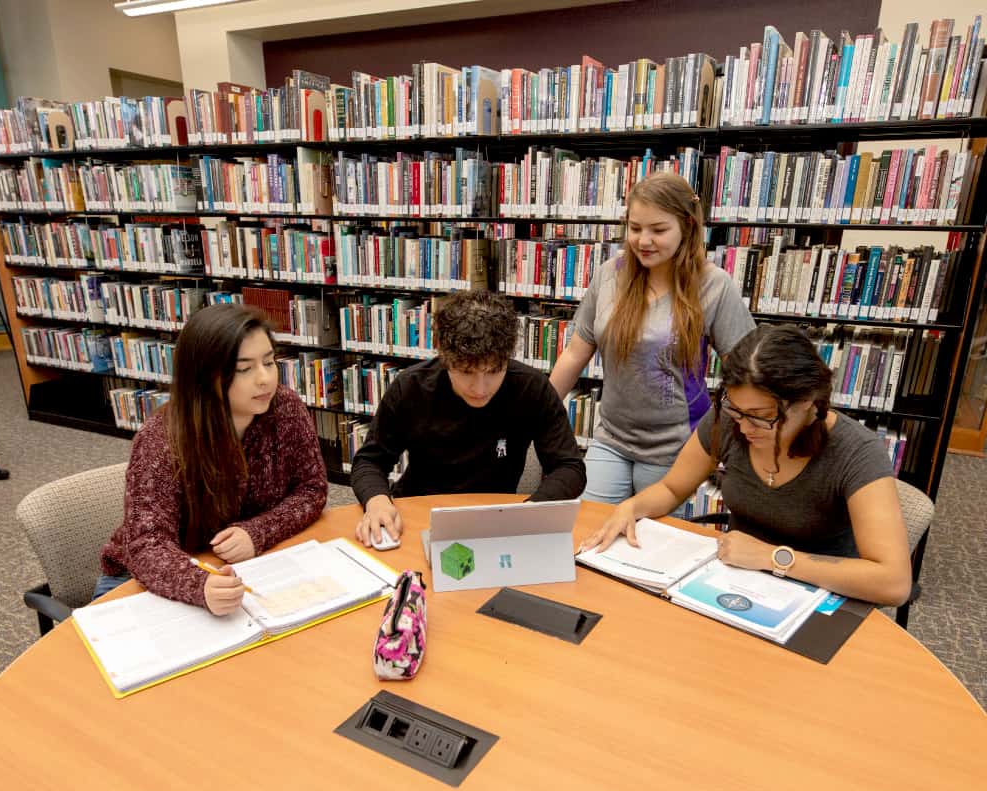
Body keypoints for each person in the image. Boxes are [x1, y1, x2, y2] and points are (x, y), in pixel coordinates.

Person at [580, 325, 912, 607]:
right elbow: (672, 488)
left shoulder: (857, 452)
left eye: (763, 417)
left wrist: (773, 558)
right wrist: (632, 506)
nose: (742, 427)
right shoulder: (731, 420)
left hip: (819, 598)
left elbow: (893, 582)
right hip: (732, 584)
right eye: (735, 410)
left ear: (809, 402)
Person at [96, 304, 329, 615]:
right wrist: (197, 584)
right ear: (205, 376)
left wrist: (256, 532)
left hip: (237, 568)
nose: (265, 379)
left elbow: (311, 489)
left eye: (269, 362)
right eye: (244, 369)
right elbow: (145, 544)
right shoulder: (163, 440)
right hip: (145, 580)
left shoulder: (285, 408)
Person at [549, 172, 755, 508]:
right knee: (589, 530)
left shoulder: (714, 286)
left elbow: (746, 371)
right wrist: (538, 411)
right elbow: (575, 354)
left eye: (658, 230)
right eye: (635, 228)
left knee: (652, 547)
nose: (644, 240)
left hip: (675, 446)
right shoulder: (608, 275)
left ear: (687, 226)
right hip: (611, 436)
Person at [351, 289, 586, 547]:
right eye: (466, 372)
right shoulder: (410, 388)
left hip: (495, 521)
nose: (481, 388)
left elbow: (570, 467)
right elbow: (369, 462)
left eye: (494, 371)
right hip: (417, 515)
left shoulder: (532, 388)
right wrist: (376, 501)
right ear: (444, 357)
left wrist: (529, 512)